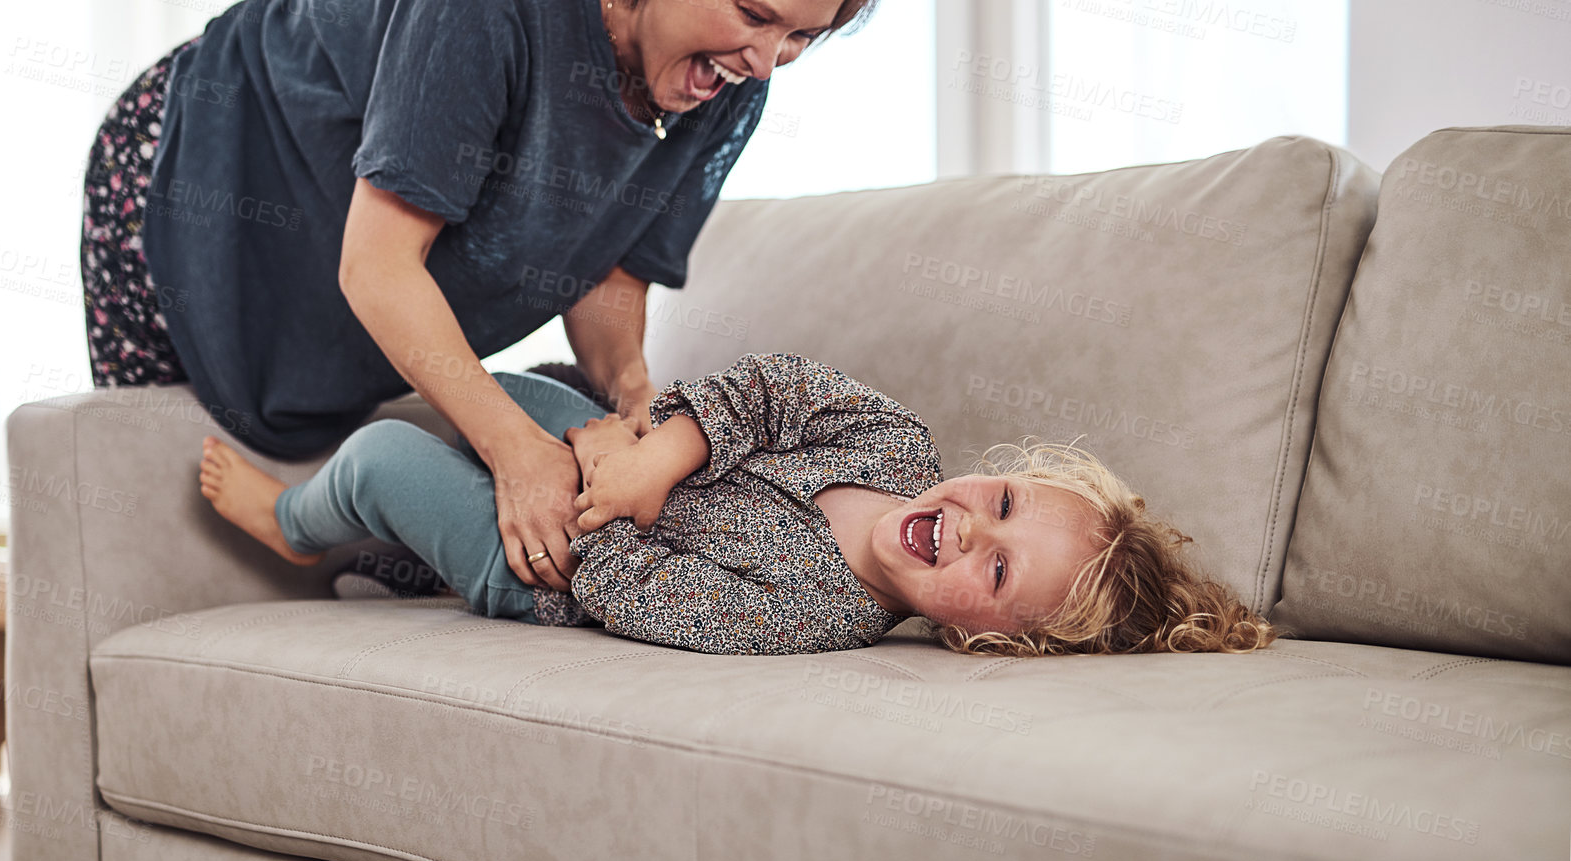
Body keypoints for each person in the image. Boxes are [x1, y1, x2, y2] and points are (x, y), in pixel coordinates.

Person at [80, 0, 885, 595]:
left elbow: (604, 267)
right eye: (755, 15)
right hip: (204, 156)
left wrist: (636, 397)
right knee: (137, 489)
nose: (766, 62)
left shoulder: (723, 78)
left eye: (800, 38)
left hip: (343, 269)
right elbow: (379, 267)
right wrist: (513, 451)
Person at [196, 352, 1281, 656]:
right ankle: (398, 560)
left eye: (995, 570)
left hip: (549, 566)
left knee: (388, 455)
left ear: (986, 644)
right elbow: (775, 388)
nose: (968, 525)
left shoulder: (814, 617)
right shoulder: (895, 445)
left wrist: (586, 482)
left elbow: (649, 596)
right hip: (621, 460)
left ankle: (295, 528)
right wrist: (650, 449)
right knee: (485, 386)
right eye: (1000, 499)